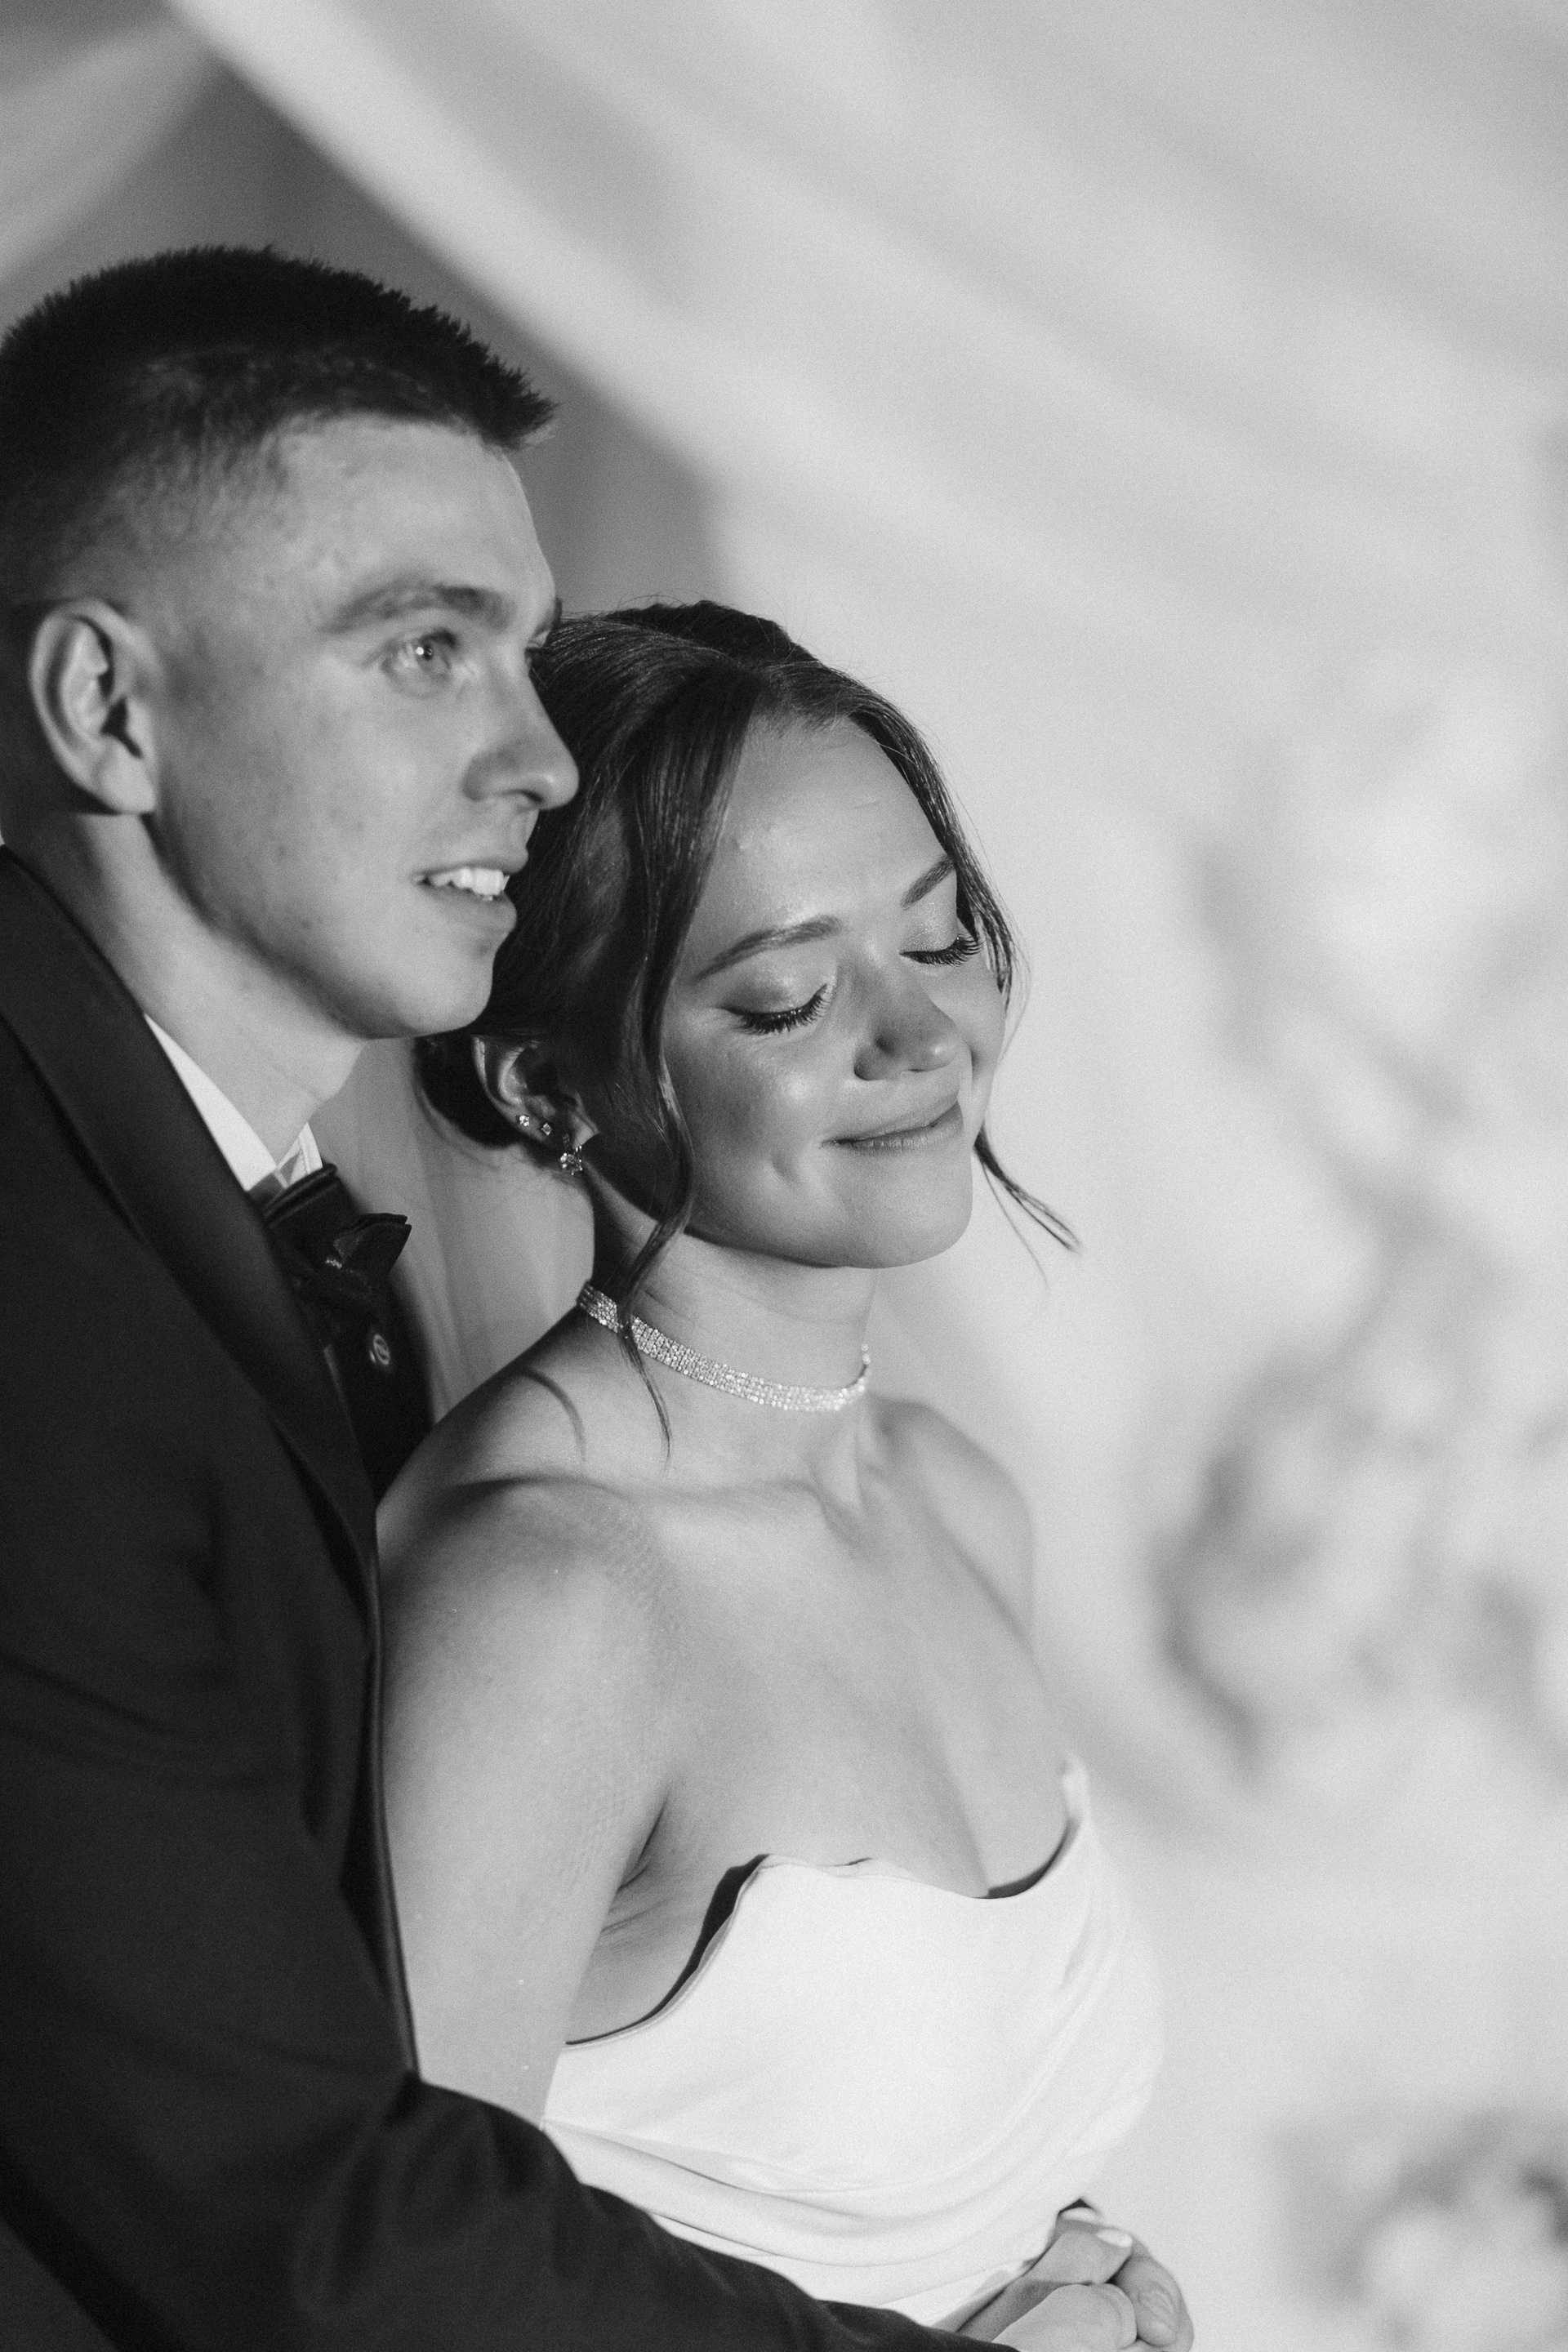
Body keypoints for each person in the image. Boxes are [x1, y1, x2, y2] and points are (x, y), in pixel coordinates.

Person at [0, 247, 1141, 2351]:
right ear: (107, 707)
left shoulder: (237, 1237)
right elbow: (315, 2226)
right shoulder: (66, 1332)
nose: (533, 759)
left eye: (521, 654)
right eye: (425, 650)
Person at [383, 603, 1185, 2336]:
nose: (921, 1034)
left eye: (940, 934)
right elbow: (399, 2296)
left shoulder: (951, 1494)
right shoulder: (550, 1596)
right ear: (552, 1089)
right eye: (790, 995)